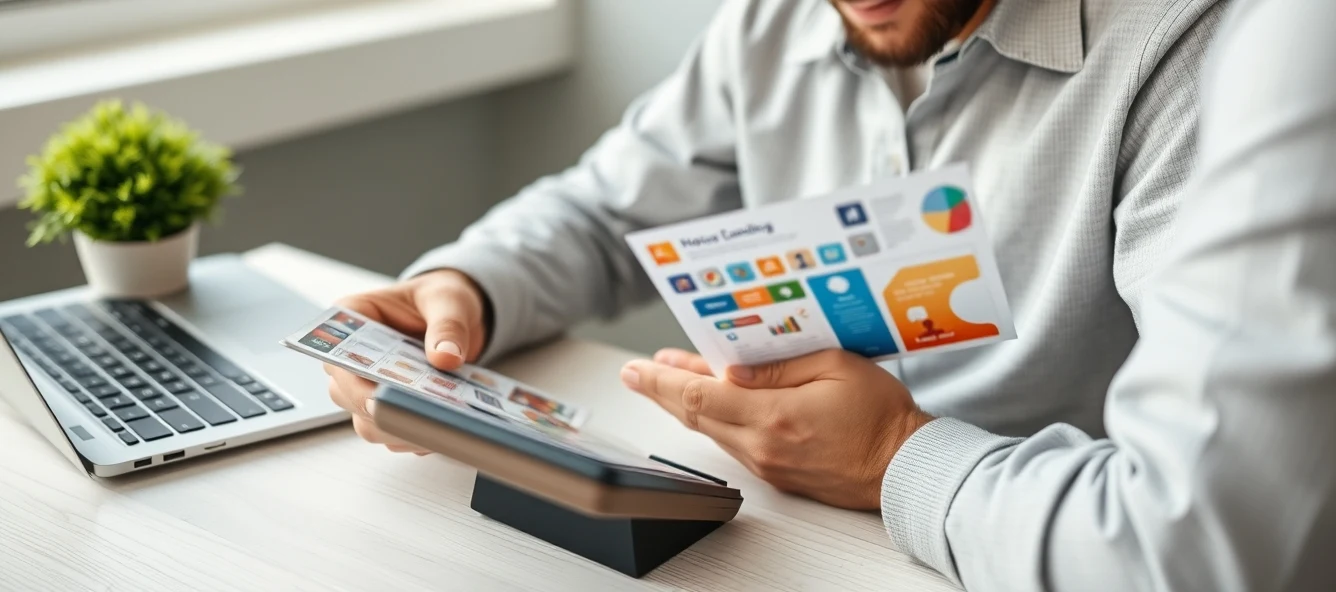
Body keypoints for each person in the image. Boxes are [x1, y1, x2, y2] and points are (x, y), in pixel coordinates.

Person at [325, 0, 1240, 576]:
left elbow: (1206, 525)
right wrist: (465, 286)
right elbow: (609, 211)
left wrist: (891, 456)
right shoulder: (773, 20)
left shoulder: (1192, 54)